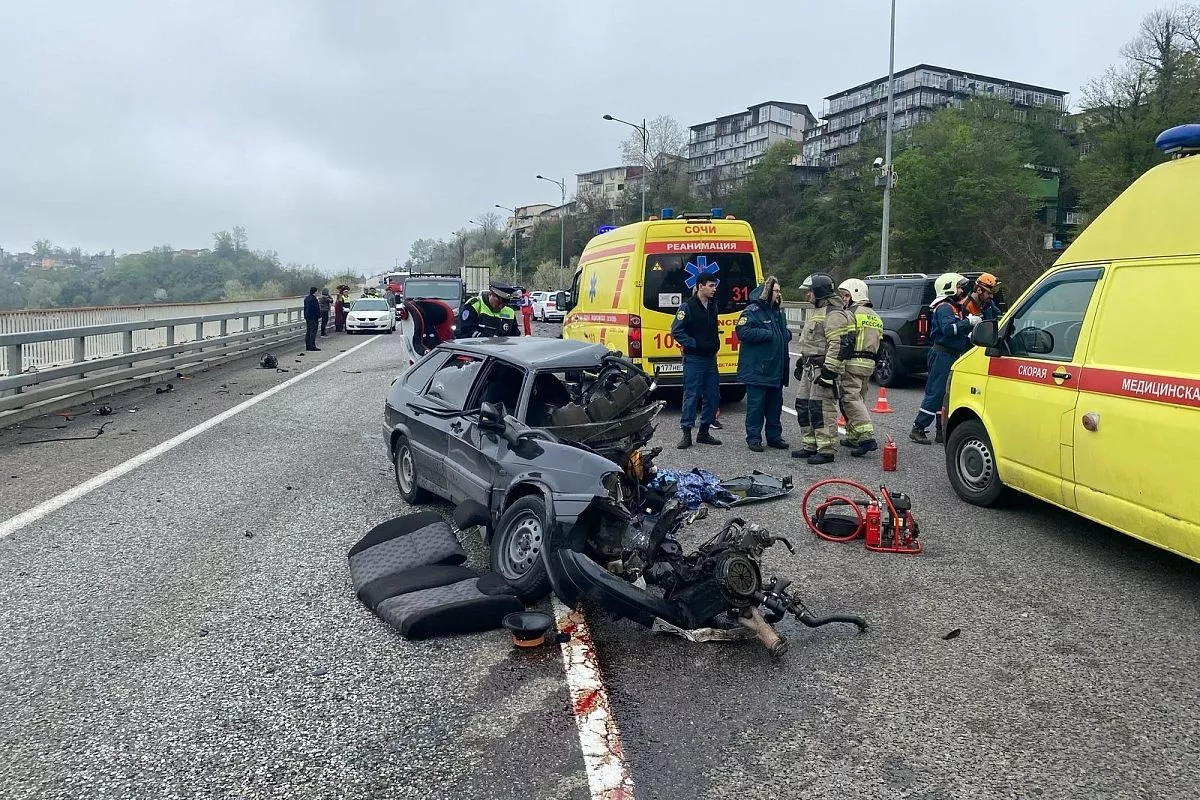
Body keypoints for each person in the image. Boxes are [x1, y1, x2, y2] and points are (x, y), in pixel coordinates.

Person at [910, 272, 980, 445]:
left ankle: (940, 430)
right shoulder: (944, 308)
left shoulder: (954, 308)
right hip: (942, 354)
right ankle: (918, 428)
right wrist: (968, 322)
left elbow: (956, 331)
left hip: (950, 354)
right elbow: (948, 330)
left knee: (944, 395)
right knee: (936, 392)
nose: (961, 290)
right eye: (959, 287)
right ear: (949, 288)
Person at [825, 278, 884, 457]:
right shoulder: (875, 316)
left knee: (850, 399)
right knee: (860, 399)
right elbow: (880, 343)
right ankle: (853, 436)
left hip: (853, 362)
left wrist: (836, 362)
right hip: (869, 363)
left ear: (855, 295)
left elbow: (847, 340)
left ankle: (867, 437)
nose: (843, 299)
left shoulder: (851, 313)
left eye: (846, 296)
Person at [735, 276, 791, 452]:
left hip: (776, 369)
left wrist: (785, 335)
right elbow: (742, 331)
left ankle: (774, 437)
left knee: (775, 407)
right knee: (756, 407)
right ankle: (754, 438)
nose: (778, 294)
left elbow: (782, 333)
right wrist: (767, 334)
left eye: (779, 291)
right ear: (767, 292)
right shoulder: (753, 311)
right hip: (758, 370)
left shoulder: (778, 312)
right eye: (776, 291)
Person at [671, 272, 722, 449]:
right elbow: (676, 331)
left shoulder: (713, 305)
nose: (714, 289)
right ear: (701, 286)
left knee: (712, 396)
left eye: (715, 286)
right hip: (694, 359)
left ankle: (704, 432)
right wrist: (694, 343)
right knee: (691, 396)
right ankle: (686, 433)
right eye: (711, 285)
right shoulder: (687, 307)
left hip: (710, 359)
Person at [792, 273, 839, 462]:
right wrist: (801, 361)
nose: (808, 295)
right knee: (803, 405)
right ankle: (810, 445)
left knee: (821, 408)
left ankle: (826, 450)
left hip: (822, 368)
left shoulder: (834, 314)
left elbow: (838, 344)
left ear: (819, 292)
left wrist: (829, 372)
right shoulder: (819, 312)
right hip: (809, 368)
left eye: (810, 291)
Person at [456, 280, 522, 338]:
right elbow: (464, 331)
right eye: (499, 302)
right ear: (490, 294)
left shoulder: (510, 312)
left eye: (504, 304)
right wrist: (490, 339)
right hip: (478, 347)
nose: (501, 306)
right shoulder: (474, 305)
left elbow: (515, 336)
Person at [303, 287, 321, 351]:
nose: (317, 292)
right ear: (315, 292)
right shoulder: (314, 299)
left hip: (307, 317)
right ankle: (312, 346)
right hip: (313, 317)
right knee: (313, 332)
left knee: (308, 331)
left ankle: (308, 346)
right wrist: (318, 315)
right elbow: (316, 309)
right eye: (317, 291)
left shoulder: (306, 298)